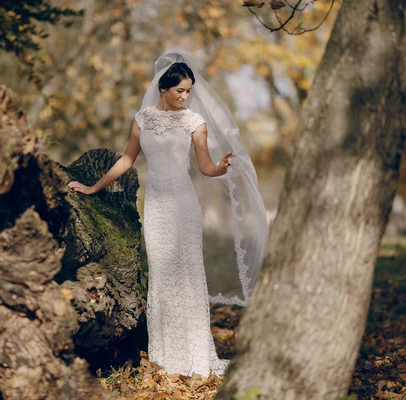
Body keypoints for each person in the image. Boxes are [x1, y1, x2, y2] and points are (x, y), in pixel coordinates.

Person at [68, 52, 268, 377]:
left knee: (188, 276)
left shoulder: (194, 122)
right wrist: (93, 187)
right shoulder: (142, 119)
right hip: (157, 205)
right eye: (180, 91)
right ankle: (165, 357)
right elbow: (126, 160)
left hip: (184, 205)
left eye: (189, 91)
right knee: (161, 276)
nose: (185, 97)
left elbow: (205, 167)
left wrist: (220, 168)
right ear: (164, 88)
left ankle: (195, 356)